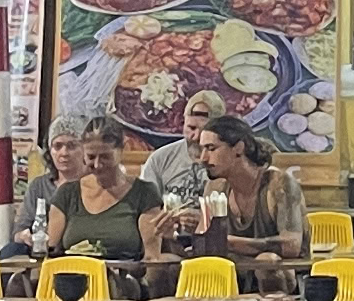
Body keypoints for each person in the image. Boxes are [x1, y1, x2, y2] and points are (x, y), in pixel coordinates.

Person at [195, 114, 310, 271]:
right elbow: (206, 246)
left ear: (238, 148)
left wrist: (229, 243)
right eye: (202, 149)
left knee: (266, 261)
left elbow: (292, 245)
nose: (203, 158)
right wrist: (170, 236)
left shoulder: (278, 185)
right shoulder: (214, 188)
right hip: (232, 276)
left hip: (284, 276)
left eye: (211, 148)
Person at [48, 116, 168, 261]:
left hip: (123, 278)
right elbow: (51, 252)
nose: (98, 164)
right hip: (74, 278)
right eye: (91, 157)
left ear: (121, 149)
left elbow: (151, 258)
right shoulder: (67, 194)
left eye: (105, 157)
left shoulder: (145, 193)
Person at [6, 115, 86, 256]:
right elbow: (19, 230)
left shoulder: (91, 183)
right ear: (49, 150)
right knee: (10, 251)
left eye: (72, 146)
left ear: (84, 149)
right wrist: (24, 236)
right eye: (57, 146)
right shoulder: (39, 185)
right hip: (40, 250)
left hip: (76, 250)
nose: (64, 153)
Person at [137, 89, 225, 203]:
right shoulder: (160, 159)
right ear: (183, 123)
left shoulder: (229, 160)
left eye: (205, 130)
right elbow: (146, 208)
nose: (197, 136)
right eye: (191, 128)